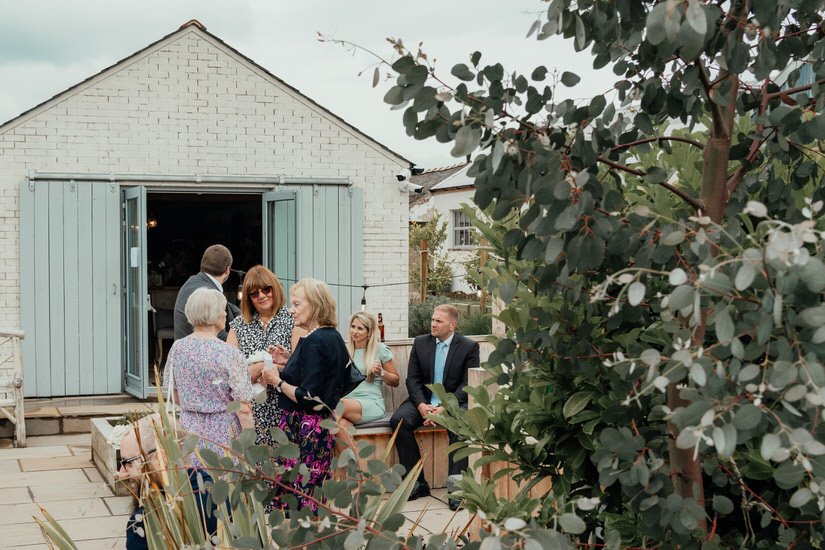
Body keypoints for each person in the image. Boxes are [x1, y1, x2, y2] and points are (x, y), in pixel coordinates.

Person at [262, 278, 350, 511]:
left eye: (297, 304)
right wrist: (290, 360)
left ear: (316, 304)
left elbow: (307, 394)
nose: (291, 310)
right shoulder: (333, 336)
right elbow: (320, 376)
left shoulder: (313, 340)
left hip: (303, 430)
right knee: (313, 493)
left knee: (297, 497)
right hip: (322, 426)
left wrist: (276, 381)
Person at [389, 304, 480, 504]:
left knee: (461, 426)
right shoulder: (421, 343)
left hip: (453, 403)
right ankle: (416, 483)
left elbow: (466, 384)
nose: (433, 324)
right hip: (423, 400)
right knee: (399, 421)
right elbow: (412, 380)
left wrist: (444, 408)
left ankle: (457, 491)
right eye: (432, 319)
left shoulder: (469, 347)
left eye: (438, 321)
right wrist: (422, 406)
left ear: (452, 325)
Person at [163, 288, 255, 468]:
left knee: (193, 489)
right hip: (223, 434)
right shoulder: (229, 353)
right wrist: (250, 445)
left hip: (189, 430)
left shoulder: (177, 348)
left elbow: (173, 393)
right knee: (224, 489)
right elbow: (243, 406)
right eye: (222, 310)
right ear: (215, 315)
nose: (225, 314)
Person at [226, 265, 301, 447]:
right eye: (254, 293)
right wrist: (261, 368)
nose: (261, 295)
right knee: (254, 467)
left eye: (266, 289)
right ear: (249, 298)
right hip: (249, 414)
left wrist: (264, 369)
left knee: (283, 469)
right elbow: (229, 372)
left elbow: (300, 368)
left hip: (284, 409)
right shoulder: (238, 326)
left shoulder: (293, 321)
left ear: (275, 288)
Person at [117, 414, 218, 550]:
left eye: (127, 463)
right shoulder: (223, 499)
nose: (121, 473)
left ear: (159, 458)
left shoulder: (146, 524)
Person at [340, 311, 399, 427]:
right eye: (353, 327)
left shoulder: (379, 349)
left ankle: (313, 440)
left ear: (369, 332)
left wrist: (381, 372)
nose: (355, 331)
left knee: (335, 405)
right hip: (347, 401)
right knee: (341, 426)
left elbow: (396, 381)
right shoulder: (344, 350)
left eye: (360, 328)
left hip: (370, 403)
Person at [173, 244, 240, 341]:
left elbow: (228, 306)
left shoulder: (193, 282)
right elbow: (220, 338)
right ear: (227, 270)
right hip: (198, 352)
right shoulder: (209, 293)